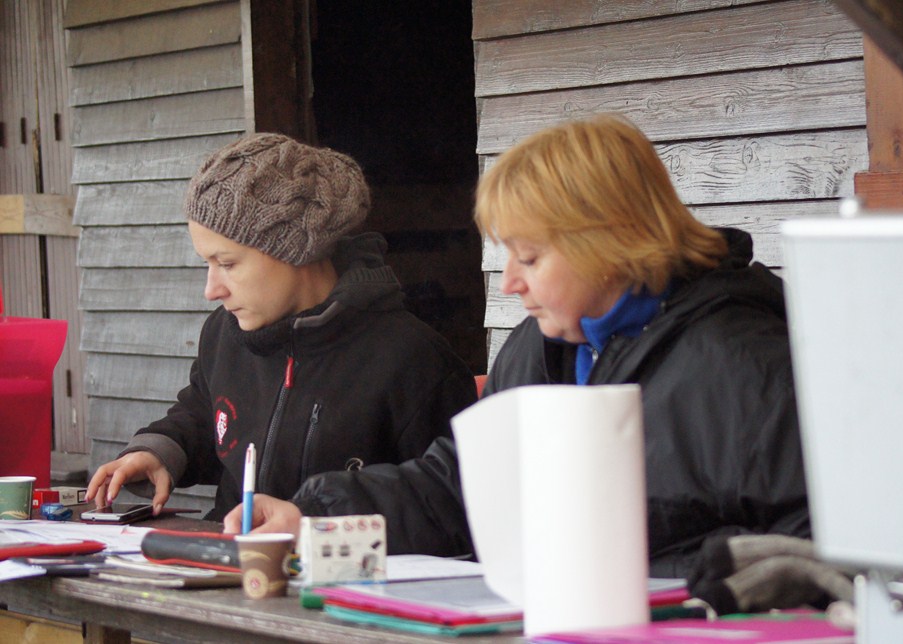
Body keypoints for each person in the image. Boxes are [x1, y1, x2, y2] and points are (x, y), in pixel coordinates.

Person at [227, 115, 811, 578]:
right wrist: (314, 515)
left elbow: (819, 549)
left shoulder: (746, 363)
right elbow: (461, 485)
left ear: (611, 241)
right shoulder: (540, 347)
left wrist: (698, 587)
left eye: (529, 257)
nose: (509, 282)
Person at [86, 133, 478, 522]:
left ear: (295, 250)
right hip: (227, 568)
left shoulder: (414, 362)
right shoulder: (223, 335)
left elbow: (447, 507)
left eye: (228, 264)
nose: (211, 290)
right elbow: (209, 416)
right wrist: (160, 452)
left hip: (340, 578)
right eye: (207, 264)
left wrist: (315, 526)